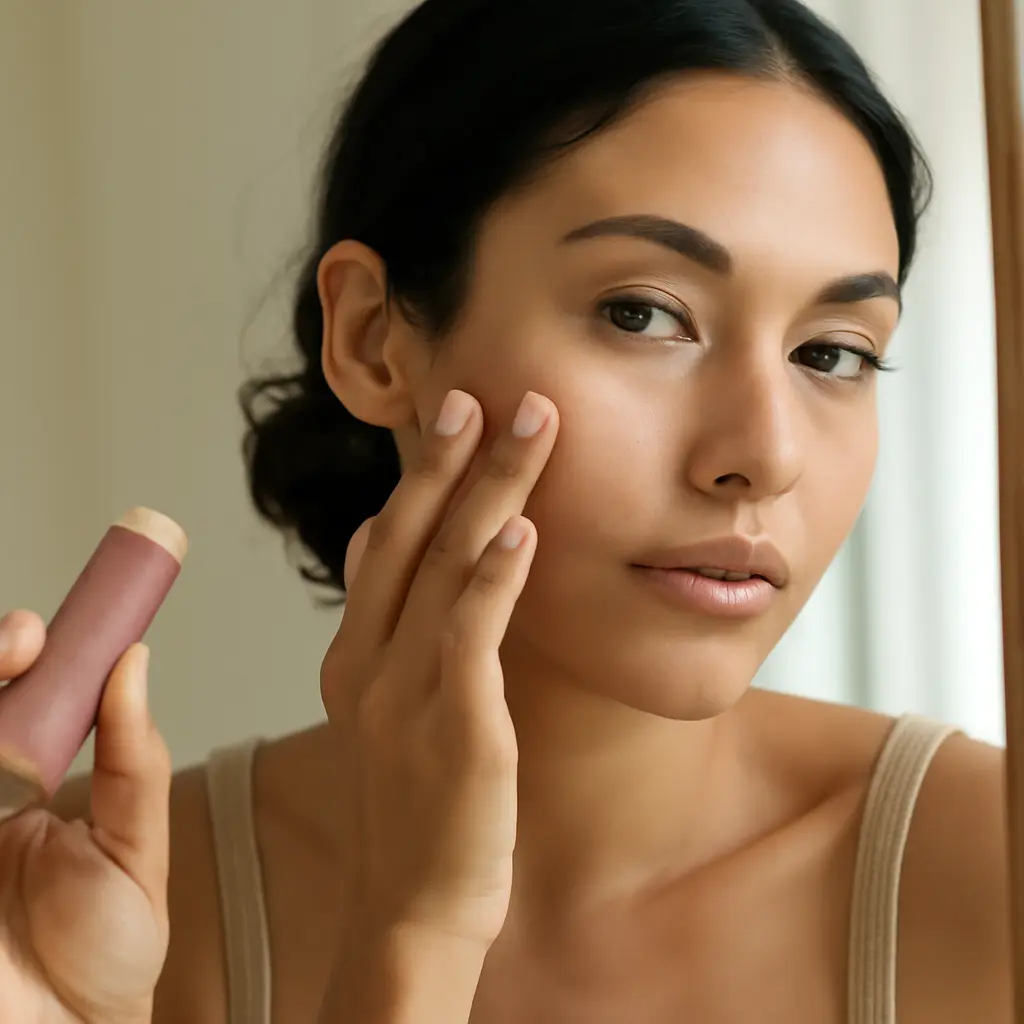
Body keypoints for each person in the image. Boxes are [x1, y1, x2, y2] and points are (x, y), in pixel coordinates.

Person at [0, 0, 1013, 1021]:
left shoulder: (991, 873)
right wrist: (415, 926)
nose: (764, 456)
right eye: (642, 314)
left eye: (831, 353)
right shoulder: (88, 911)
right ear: (372, 338)